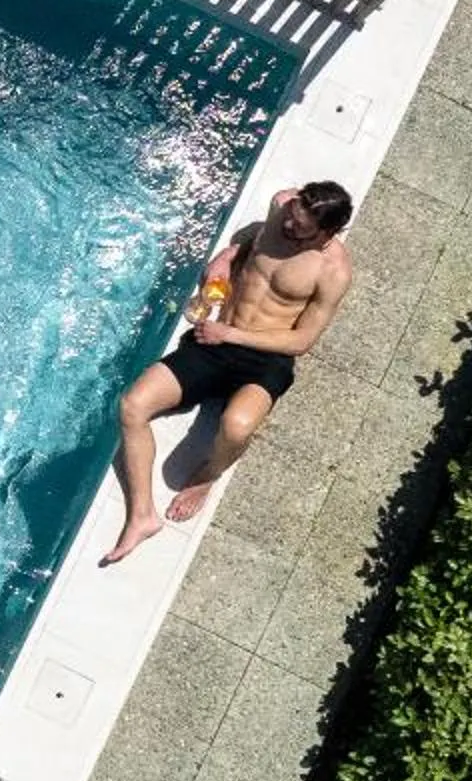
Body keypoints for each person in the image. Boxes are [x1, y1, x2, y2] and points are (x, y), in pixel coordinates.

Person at [99, 179, 356, 565]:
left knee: (236, 427)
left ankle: (206, 476)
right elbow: (254, 239)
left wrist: (231, 333)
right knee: (132, 406)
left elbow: (302, 341)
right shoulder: (282, 205)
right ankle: (142, 516)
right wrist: (227, 256)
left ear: (327, 234)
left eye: (301, 229)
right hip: (214, 341)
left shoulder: (333, 272)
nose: (289, 227)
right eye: (291, 216)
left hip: (264, 356)